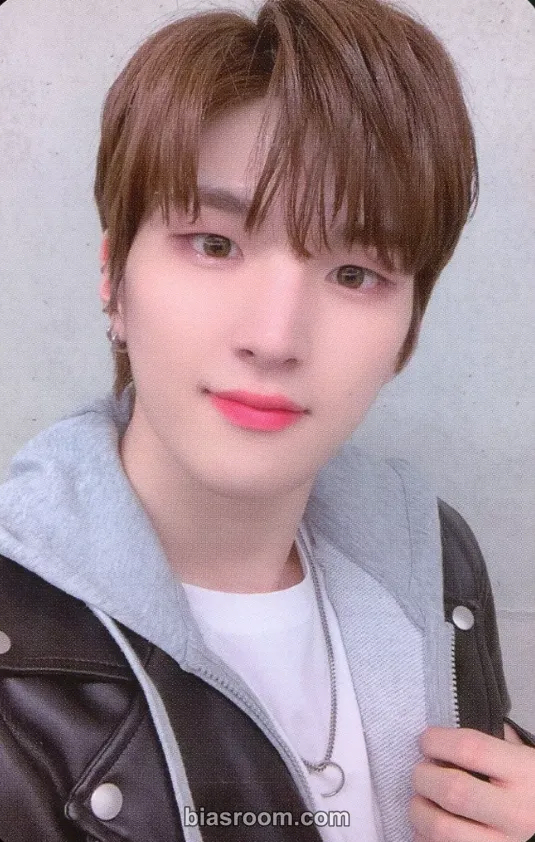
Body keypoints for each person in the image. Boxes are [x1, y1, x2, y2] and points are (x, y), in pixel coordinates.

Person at [0, 0, 533, 840]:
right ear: (113, 280)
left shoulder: (433, 556)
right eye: (214, 244)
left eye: (354, 273)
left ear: (408, 330)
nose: (275, 338)